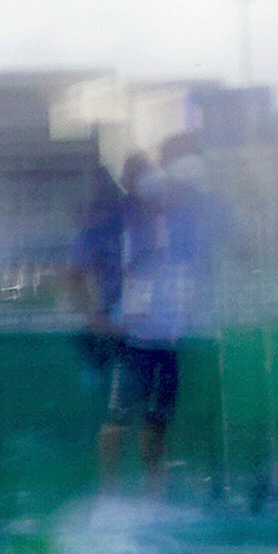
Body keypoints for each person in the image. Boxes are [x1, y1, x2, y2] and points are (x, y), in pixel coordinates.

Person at [75, 152, 211, 491]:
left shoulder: (179, 221)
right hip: (129, 336)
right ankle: (109, 487)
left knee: (158, 415)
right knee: (118, 415)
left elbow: (193, 269)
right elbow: (75, 269)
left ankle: (154, 489)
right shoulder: (114, 221)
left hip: (167, 335)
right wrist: (95, 316)